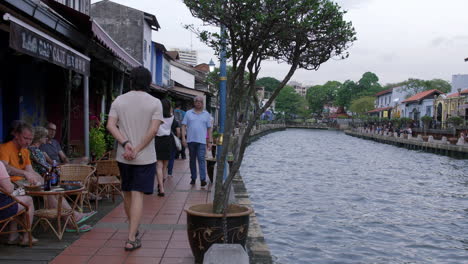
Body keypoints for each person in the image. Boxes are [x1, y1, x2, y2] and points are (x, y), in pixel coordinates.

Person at [107, 66, 163, 251]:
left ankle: (133, 229)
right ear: (148, 82)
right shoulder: (155, 102)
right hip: (145, 157)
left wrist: (126, 144)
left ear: (131, 80)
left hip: (124, 156)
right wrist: (137, 149)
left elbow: (110, 125)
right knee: (138, 194)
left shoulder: (119, 101)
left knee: (127, 193)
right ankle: (131, 237)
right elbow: (154, 130)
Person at [6, 124, 95, 232]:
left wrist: (41, 180)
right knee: (49, 192)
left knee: (50, 189)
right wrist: (26, 174)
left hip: (25, 183)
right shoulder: (5, 148)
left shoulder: (25, 151)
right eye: (26, 138)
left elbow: (31, 170)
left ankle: (72, 219)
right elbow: (6, 168)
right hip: (12, 184)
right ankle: (72, 220)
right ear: (16, 135)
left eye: (30, 139)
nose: (28, 142)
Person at [0, 162, 37, 246]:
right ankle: (26, 237)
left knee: (16, 199)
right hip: (2, 209)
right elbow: (9, 189)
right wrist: (12, 185)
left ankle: (13, 236)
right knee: (28, 200)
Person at [181, 96, 213, 187]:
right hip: (191, 140)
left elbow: (209, 129)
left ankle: (202, 179)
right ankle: (193, 178)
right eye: (196, 101)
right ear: (194, 103)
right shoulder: (188, 113)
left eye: (200, 101)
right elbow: (183, 126)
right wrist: (183, 138)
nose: (198, 103)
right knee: (192, 160)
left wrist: (210, 141)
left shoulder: (206, 114)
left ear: (202, 103)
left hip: (202, 141)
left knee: (201, 160)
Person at [154, 99, 175, 197]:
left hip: (158, 141)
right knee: (165, 166)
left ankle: (161, 188)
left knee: (159, 165)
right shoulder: (172, 117)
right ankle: (161, 184)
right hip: (168, 141)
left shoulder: (157, 117)